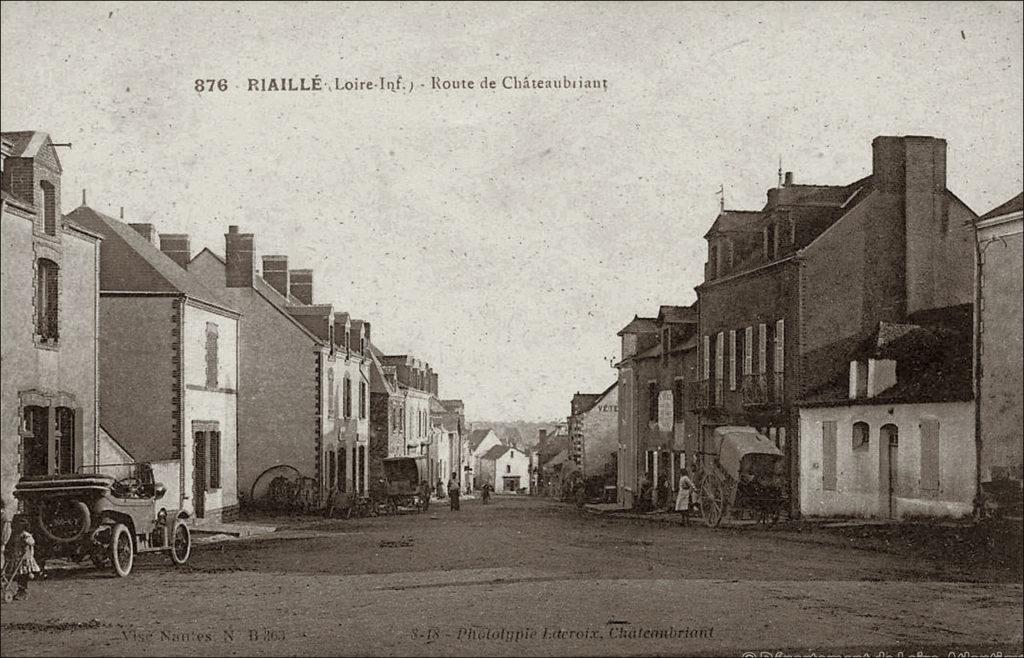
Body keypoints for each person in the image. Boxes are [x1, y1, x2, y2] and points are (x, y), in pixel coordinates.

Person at [8, 517, 41, 600]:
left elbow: (31, 542)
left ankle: (23, 592)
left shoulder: (25, 535)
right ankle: (20, 591)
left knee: (23, 575)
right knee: (19, 575)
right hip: (18, 557)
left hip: (24, 558)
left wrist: (26, 540)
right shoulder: (15, 535)